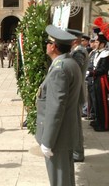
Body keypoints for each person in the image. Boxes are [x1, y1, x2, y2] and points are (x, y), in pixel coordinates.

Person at [35, 25, 82, 186]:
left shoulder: (59, 70)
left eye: (48, 42)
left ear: (54, 46)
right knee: (66, 177)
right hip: (65, 132)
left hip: (58, 137)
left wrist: (47, 141)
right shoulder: (69, 63)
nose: (46, 45)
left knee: (59, 180)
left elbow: (56, 109)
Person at [66, 28, 89, 163]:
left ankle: (78, 153)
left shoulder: (79, 51)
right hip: (75, 91)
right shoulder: (75, 50)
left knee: (76, 125)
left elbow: (74, 68)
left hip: (76, 92)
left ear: (74, 39)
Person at [88, 33, 109, 131]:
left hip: (101, 80)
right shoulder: (96, 52)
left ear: (102, 44)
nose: (95, 43)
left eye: (97, 42)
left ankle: (104, 124)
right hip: (95, 79)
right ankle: (98, 120)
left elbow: (103, 69)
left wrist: (92, 72)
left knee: (102, 102)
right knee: (95, 101)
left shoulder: (106, 53)